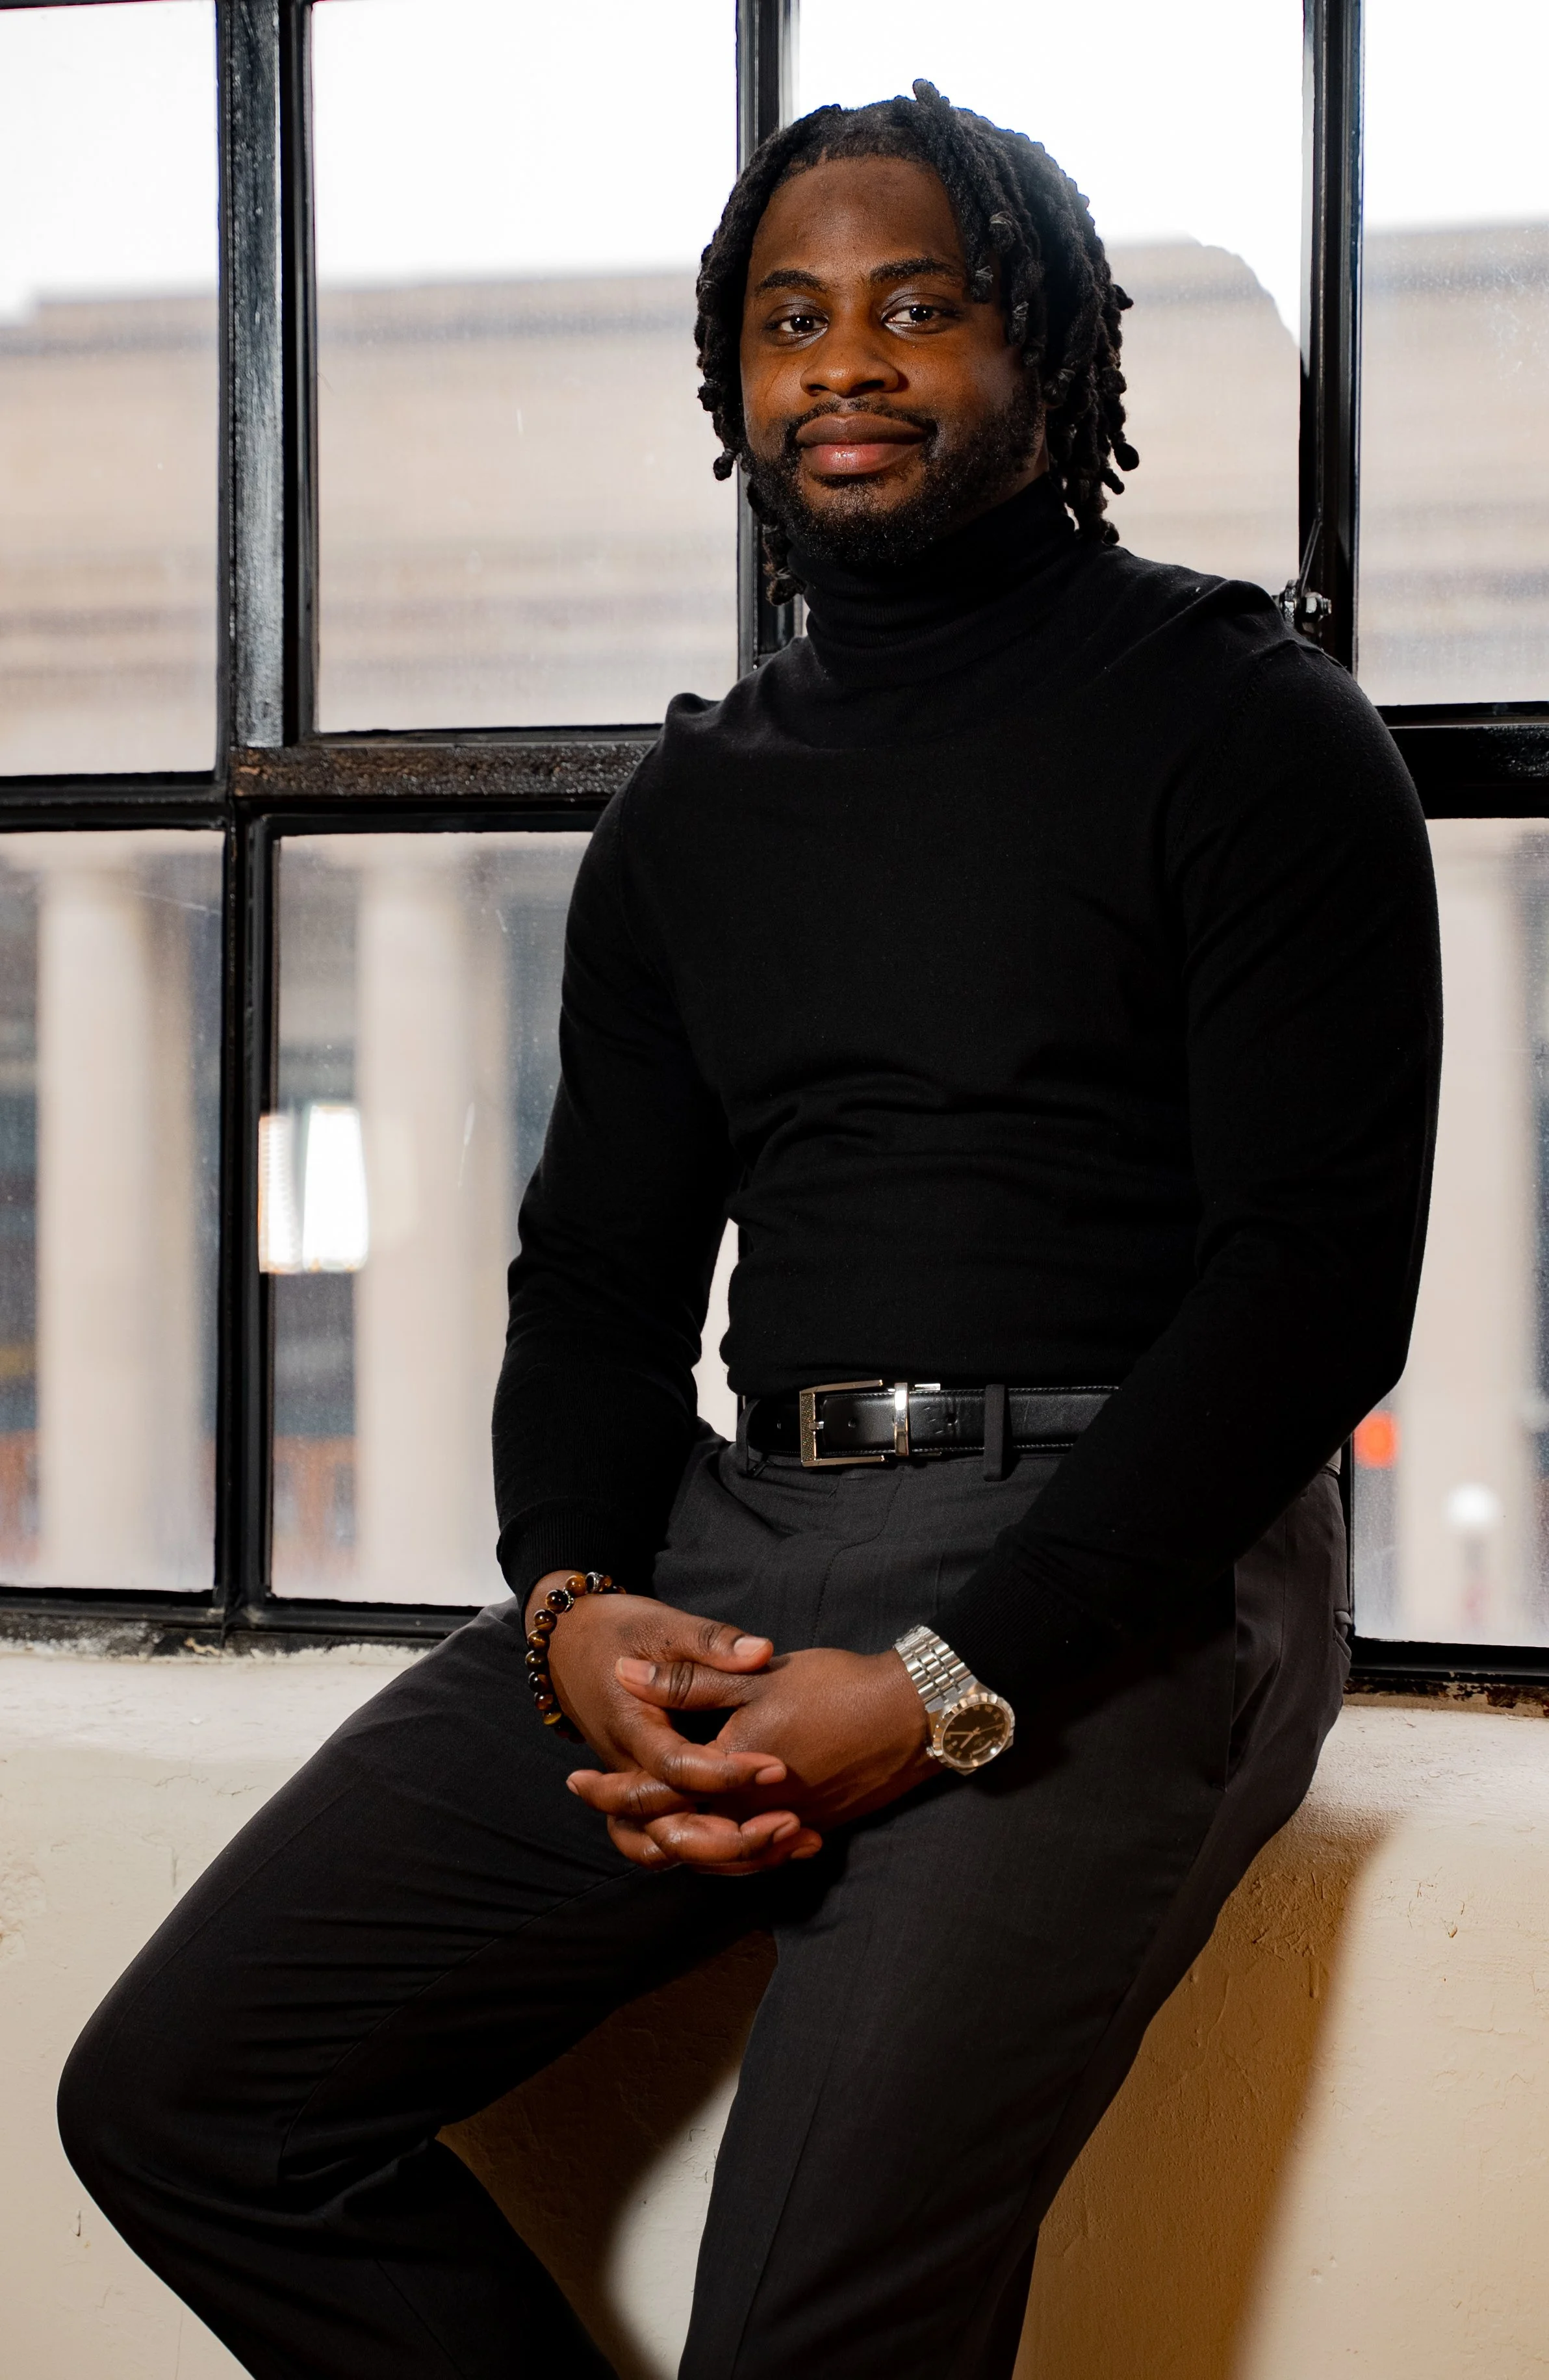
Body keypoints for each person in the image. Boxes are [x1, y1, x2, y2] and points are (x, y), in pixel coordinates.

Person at [58, 83, 1440, 2380]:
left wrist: (943, 1678)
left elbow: (1312, 1296)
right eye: (791, 322)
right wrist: (576, 1599)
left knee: (804, 2339)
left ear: (1057, 350)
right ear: (734, 386)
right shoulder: (701, 803)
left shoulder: (1252, 727)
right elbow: (596, 1275)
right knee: (190, 2098)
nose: (847, 366)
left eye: (920, 307)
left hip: (1128, 1572)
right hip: (739, 1537)